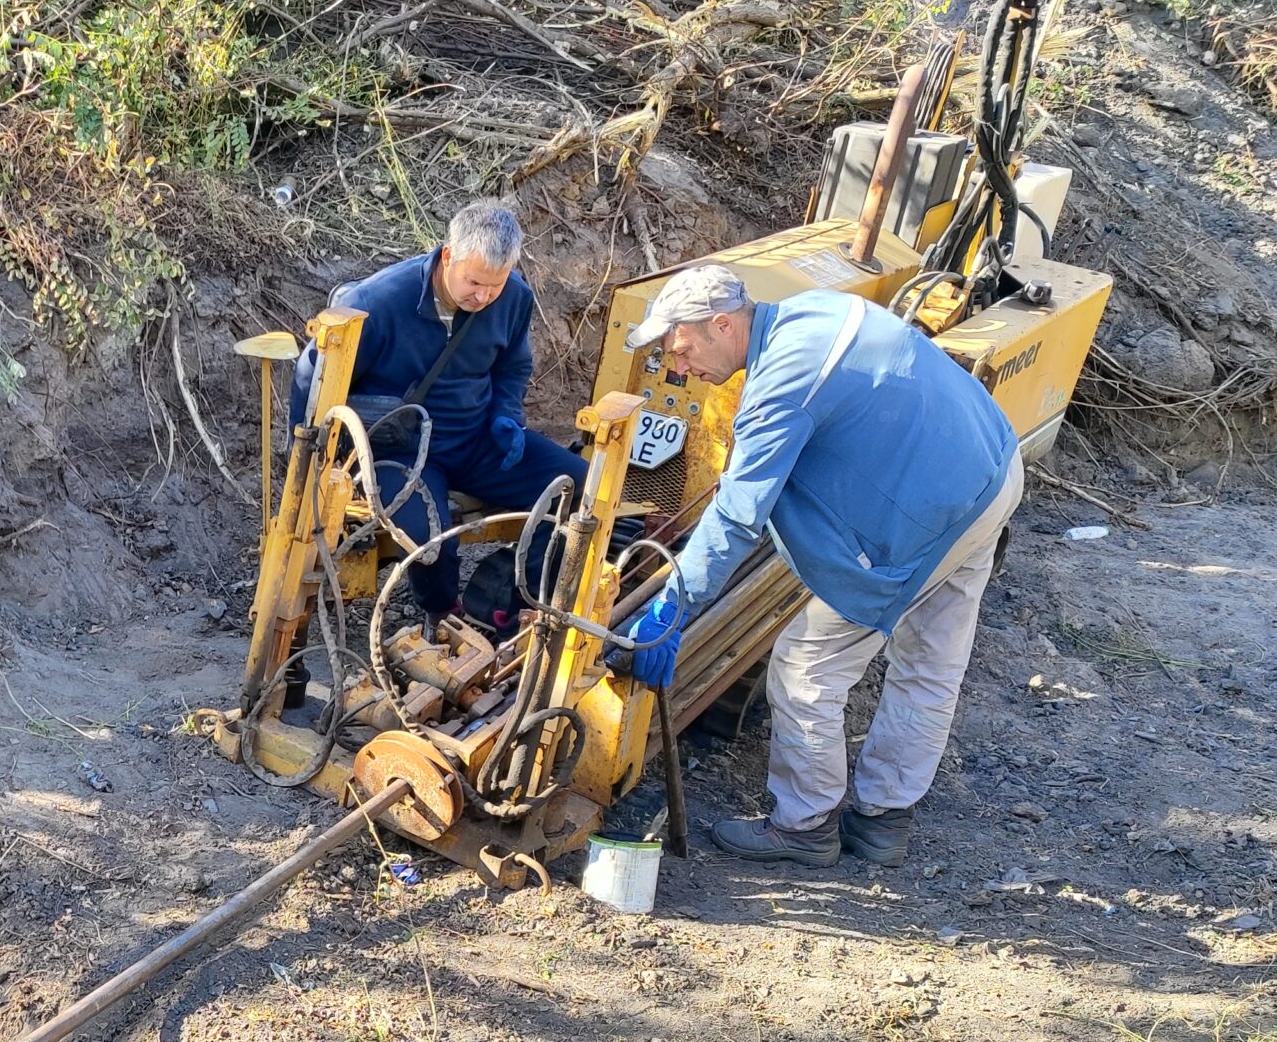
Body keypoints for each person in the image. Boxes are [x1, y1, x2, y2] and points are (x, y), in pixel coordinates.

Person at [621, 263, 1023, 868]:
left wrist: (671, 606)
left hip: (938, 512)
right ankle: (884, 822)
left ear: (722, 324)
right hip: (993, 469)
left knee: (806, 665)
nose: (678, 367)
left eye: (679, 348)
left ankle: (804, 824)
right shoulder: (814, 311)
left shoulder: (783, 381)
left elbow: (735, 518)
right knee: (930, 658)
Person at [290, 201, 582, 624]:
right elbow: (310, 381)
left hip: (478, 437)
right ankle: (444, 614)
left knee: (579, 491)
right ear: (448, 256)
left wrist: (506, 416)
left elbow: (513, 366)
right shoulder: (376, 302)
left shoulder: (515, 298)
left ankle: (515, 605)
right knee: (433, 541)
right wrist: (312, 465)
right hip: (401, 448)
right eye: (474, 282)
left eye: (494, 286)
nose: (483, 297)